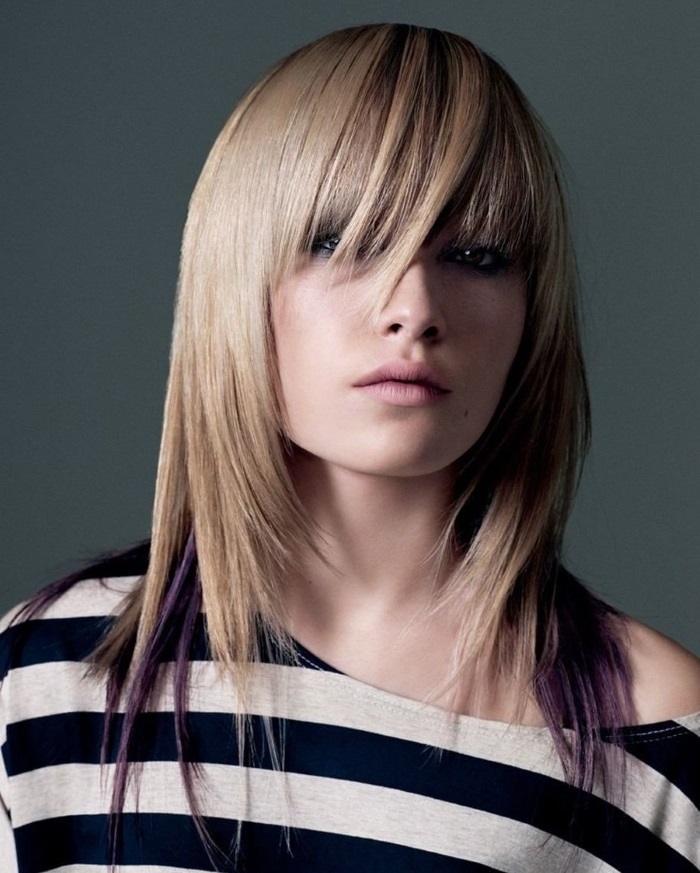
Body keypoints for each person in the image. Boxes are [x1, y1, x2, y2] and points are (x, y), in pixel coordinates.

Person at [1, 22, 698, 873]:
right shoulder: (46, 675)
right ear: (238, 279)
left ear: (533, 313)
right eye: (341, 242)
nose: (413, 306)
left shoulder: (658, 728)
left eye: (476, 254)